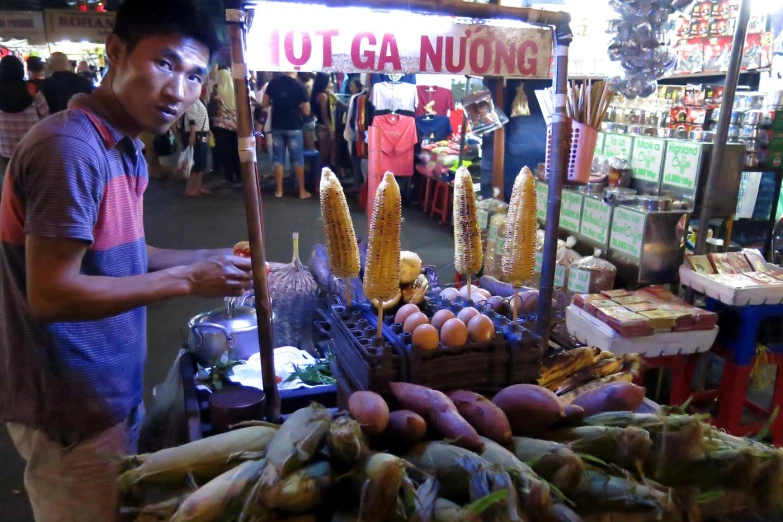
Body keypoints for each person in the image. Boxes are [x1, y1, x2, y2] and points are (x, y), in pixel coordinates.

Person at [0, 1, 252, 520]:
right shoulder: (69, 149)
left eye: (194, 75)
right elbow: (52, 292)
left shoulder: (125, 147)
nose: (178, 92)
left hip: (108, 388)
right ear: (115, 51)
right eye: (164, 63)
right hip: (70, 405)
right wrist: (188, 280)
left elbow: (130, 254)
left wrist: (212, 255)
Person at [0, 56, 49, 193]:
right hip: (32, 146)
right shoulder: (31, 88)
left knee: (10, 190)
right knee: (35, 187)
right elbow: (46, 114)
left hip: (6, 150)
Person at [263, 71, 311, 198]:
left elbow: (264, 103)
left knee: (278, 158)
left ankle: (279, 190)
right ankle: (302, 191)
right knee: (298, 159)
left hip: (277, 125)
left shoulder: (273, 83)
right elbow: (307, 112)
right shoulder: (300, 86)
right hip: (294, 126)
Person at [211, 67, 241, 184]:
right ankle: (239, 173)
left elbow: (213, 105)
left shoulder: (218, 89)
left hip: (221, 126)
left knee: (224, 152)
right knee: (234, 151)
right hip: (234, 125)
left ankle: (228, 176)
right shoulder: (235, 90)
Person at [182, 94, 211, 197]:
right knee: (196, 162)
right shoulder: (192, 101)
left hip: (201, 133)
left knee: (201, 162)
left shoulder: (197, 101)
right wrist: (192, 135)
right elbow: (192, 120)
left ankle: (197, 187)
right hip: (197, 134)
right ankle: (190, 188)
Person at [311, 72, 334, 168]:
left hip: (319, 126)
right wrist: (331, 131)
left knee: (323, 155)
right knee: (324, 156)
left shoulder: (316, 94)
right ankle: (319, 180)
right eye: (329, 82)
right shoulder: (323, 96)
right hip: (324, 128)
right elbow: (325, 116)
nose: (331, 84)